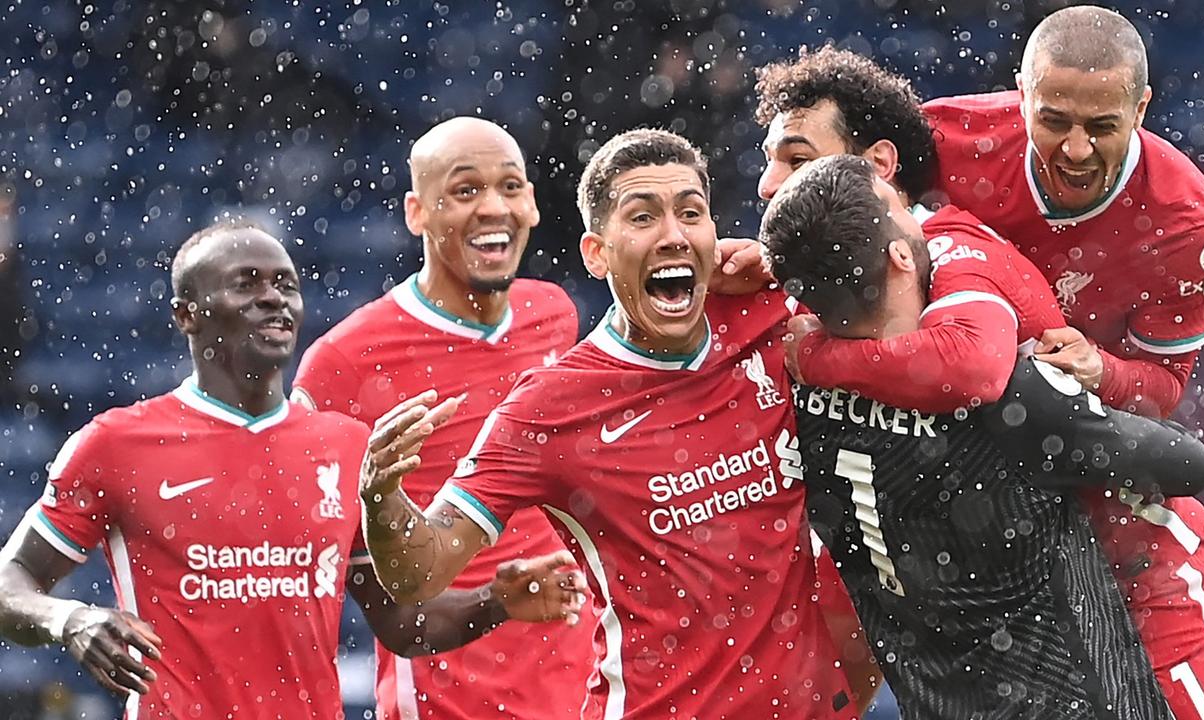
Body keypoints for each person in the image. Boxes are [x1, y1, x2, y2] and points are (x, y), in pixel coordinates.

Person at [753, 39, 1204, 720]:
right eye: (1055, 121)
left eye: (797, 161)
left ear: (879, 174)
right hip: (995, 599)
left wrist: (1103, 372)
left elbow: (980, 369)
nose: (770, 184)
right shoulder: (811, 299)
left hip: (1128, 549)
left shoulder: (958, 272)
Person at [358, 128, 857, 719]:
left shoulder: (774, 315)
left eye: (690, 213)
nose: (673, 235)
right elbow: (418, 573)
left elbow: (909, 261)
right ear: (597, 253)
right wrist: (381, 498)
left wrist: (778, 263)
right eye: (642, 217)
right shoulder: (548, 409)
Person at [0, 220, 586, 719]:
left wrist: (498, 601)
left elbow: (402, 622)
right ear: (187, 316)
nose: (273, 297)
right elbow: (10, 586)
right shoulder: (116, 445)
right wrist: (69, 618)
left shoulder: (346, 446)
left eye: (285, 284)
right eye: (246, 283)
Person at [291, 116, 597, 720]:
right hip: (446, 699)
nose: (493, 207)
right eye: (464, 191)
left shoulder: (555, 315)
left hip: (578, 684)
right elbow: (382, 608)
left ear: (533, 204)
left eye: (510, 187)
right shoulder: (343, 364)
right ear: (417, 213)